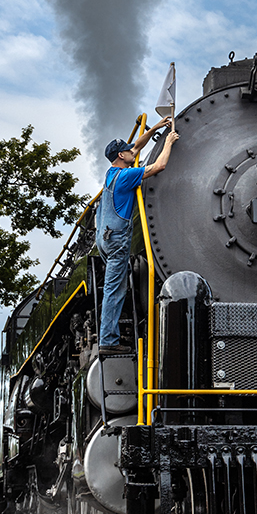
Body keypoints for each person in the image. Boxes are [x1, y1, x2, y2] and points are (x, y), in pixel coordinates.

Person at [95, 118, 179, 352]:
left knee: (116, 286)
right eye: (127, 151)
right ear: (121, 156)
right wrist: (169, 142)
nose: (132, 151)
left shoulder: (111, 174)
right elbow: (159, 166)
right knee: (115, 290)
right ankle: (108, 342)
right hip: (118, 242)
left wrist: (155, 127)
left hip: (104, 239)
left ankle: (109, 337)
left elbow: (137, 147)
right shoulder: (126, 177)